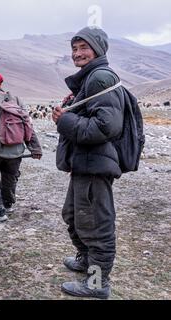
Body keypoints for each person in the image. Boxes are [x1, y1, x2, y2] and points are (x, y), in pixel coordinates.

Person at [53, 27, 124, 299]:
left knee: (96, 226)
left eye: (84, 47)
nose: (77, 54)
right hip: (85, 163)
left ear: (98, 49)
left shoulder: (100, 78)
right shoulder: (90, 79)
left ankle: (97, 284)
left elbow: (107, 127)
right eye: (74, 48)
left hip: (95, 165)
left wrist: (65, 120)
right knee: (74, 216)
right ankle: (85, 260)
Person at [0, 70, 42, 222]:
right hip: (15, 149)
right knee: (9, 178)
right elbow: (28, 125)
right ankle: (7, 204)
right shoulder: (16, 99)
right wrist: (35, 148)